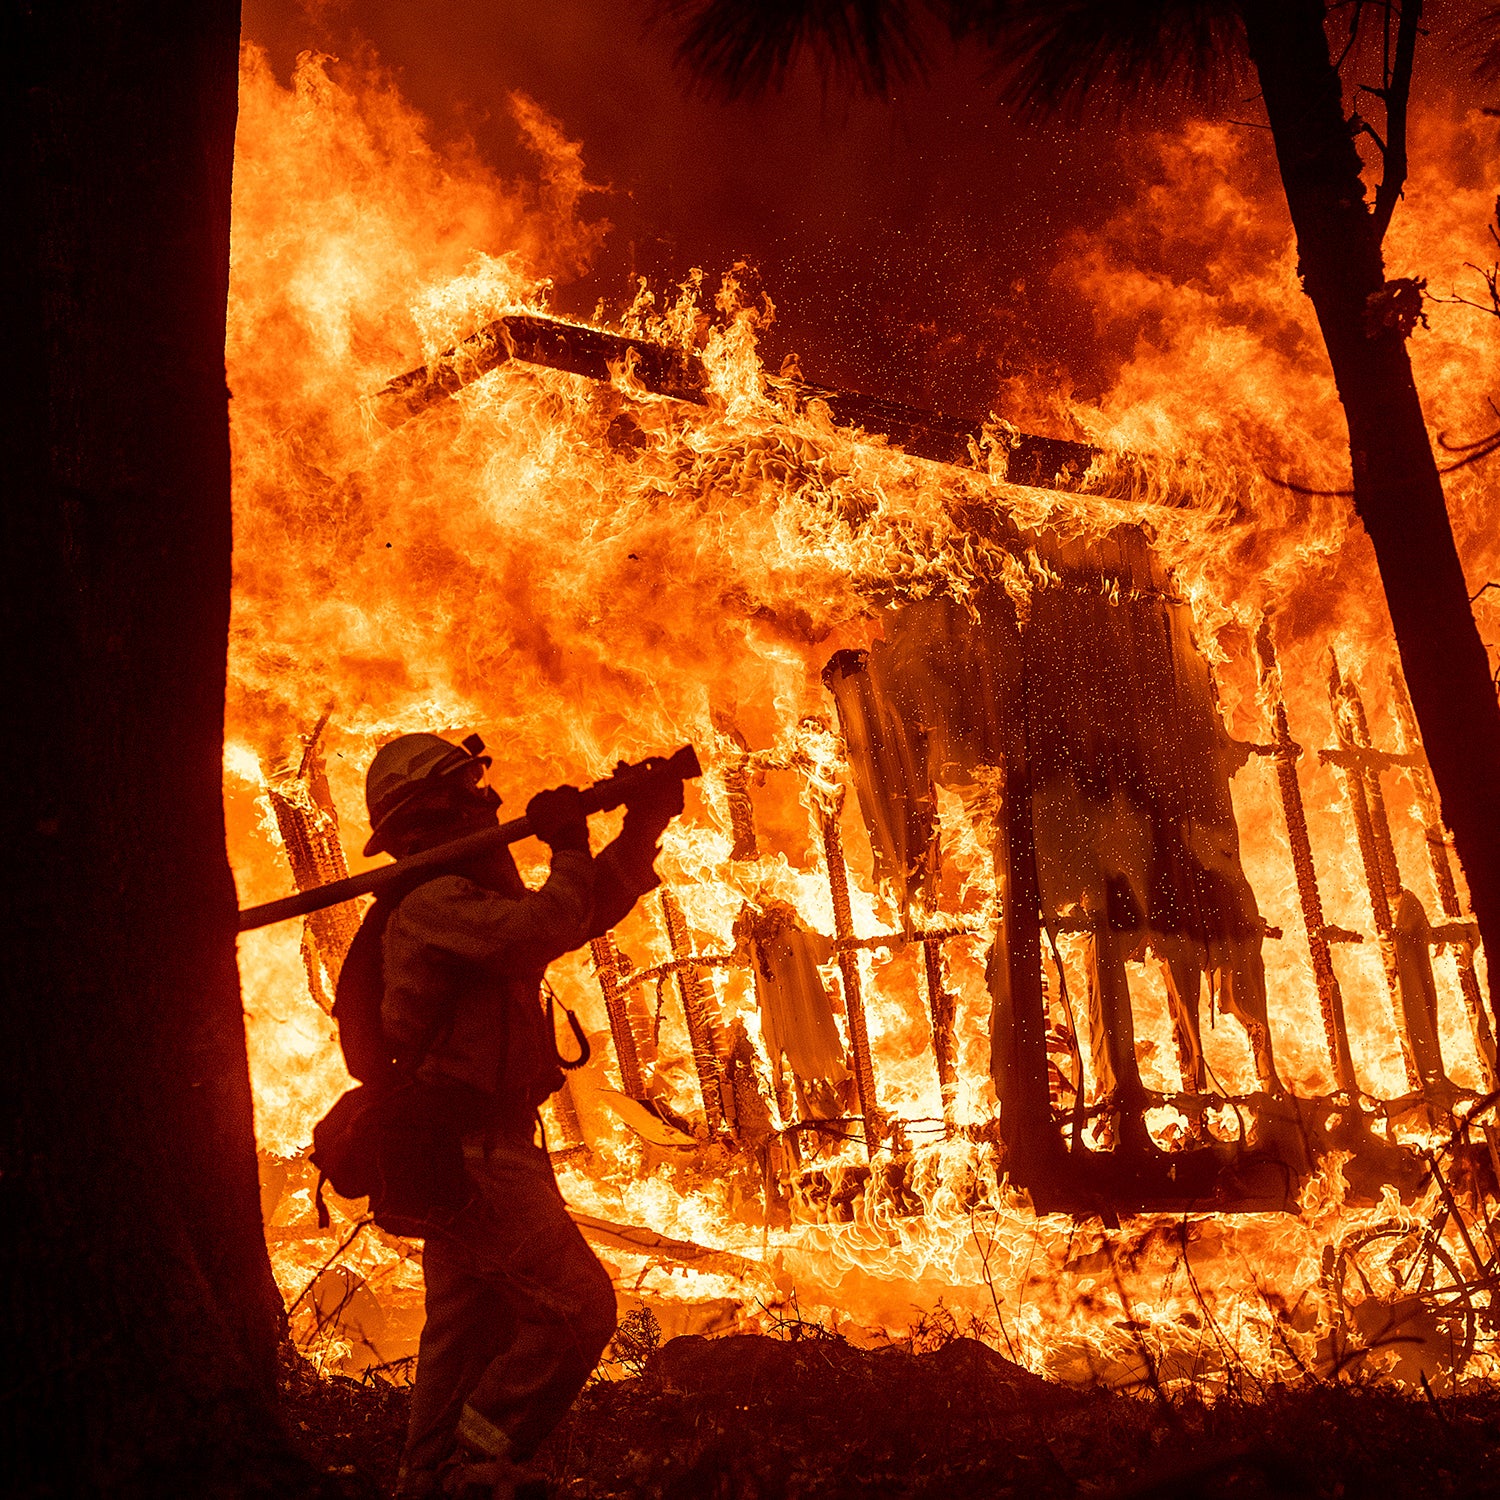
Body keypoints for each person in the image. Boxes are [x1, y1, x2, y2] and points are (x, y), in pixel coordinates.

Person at [343, 732, 680, 1499]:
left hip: (465, 1151)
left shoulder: (456, 902)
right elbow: (544, 926)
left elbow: (573, 914)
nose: (491, 802)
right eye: (473, 792)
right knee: (577, 1311)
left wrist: (641, 831)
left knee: (465, 1333)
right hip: (472, 1154)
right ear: (433, 813)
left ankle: (425, 1477)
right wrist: (566, 842)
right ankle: (473, 1464)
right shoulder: (431, 903)